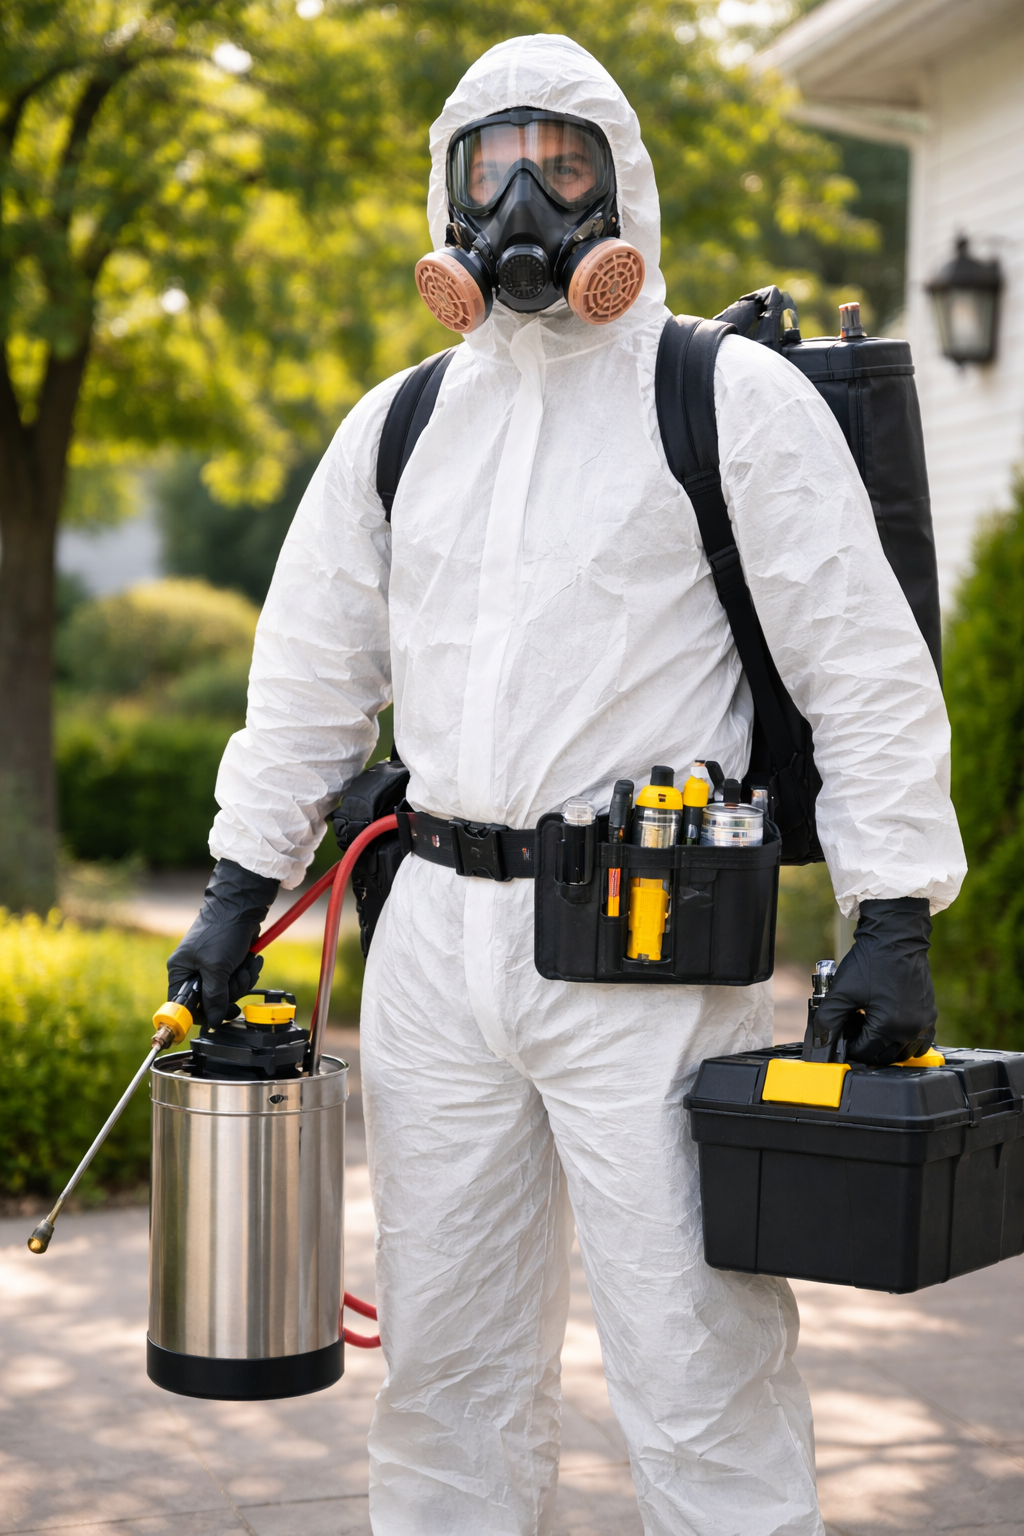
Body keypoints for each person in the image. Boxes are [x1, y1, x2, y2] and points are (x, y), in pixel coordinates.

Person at [168, 33, 966, 1536]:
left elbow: (860, 666)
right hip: (435, 958)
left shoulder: (723, 397)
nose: (525, 197)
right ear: (446, 193)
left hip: (651, 955)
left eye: (565, 160)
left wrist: (896, 907)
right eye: (491, 163)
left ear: (623, 182)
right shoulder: (402, 426)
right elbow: (306, 687)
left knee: (699, 1362)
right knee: (445, 1373)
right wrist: (232, 892)